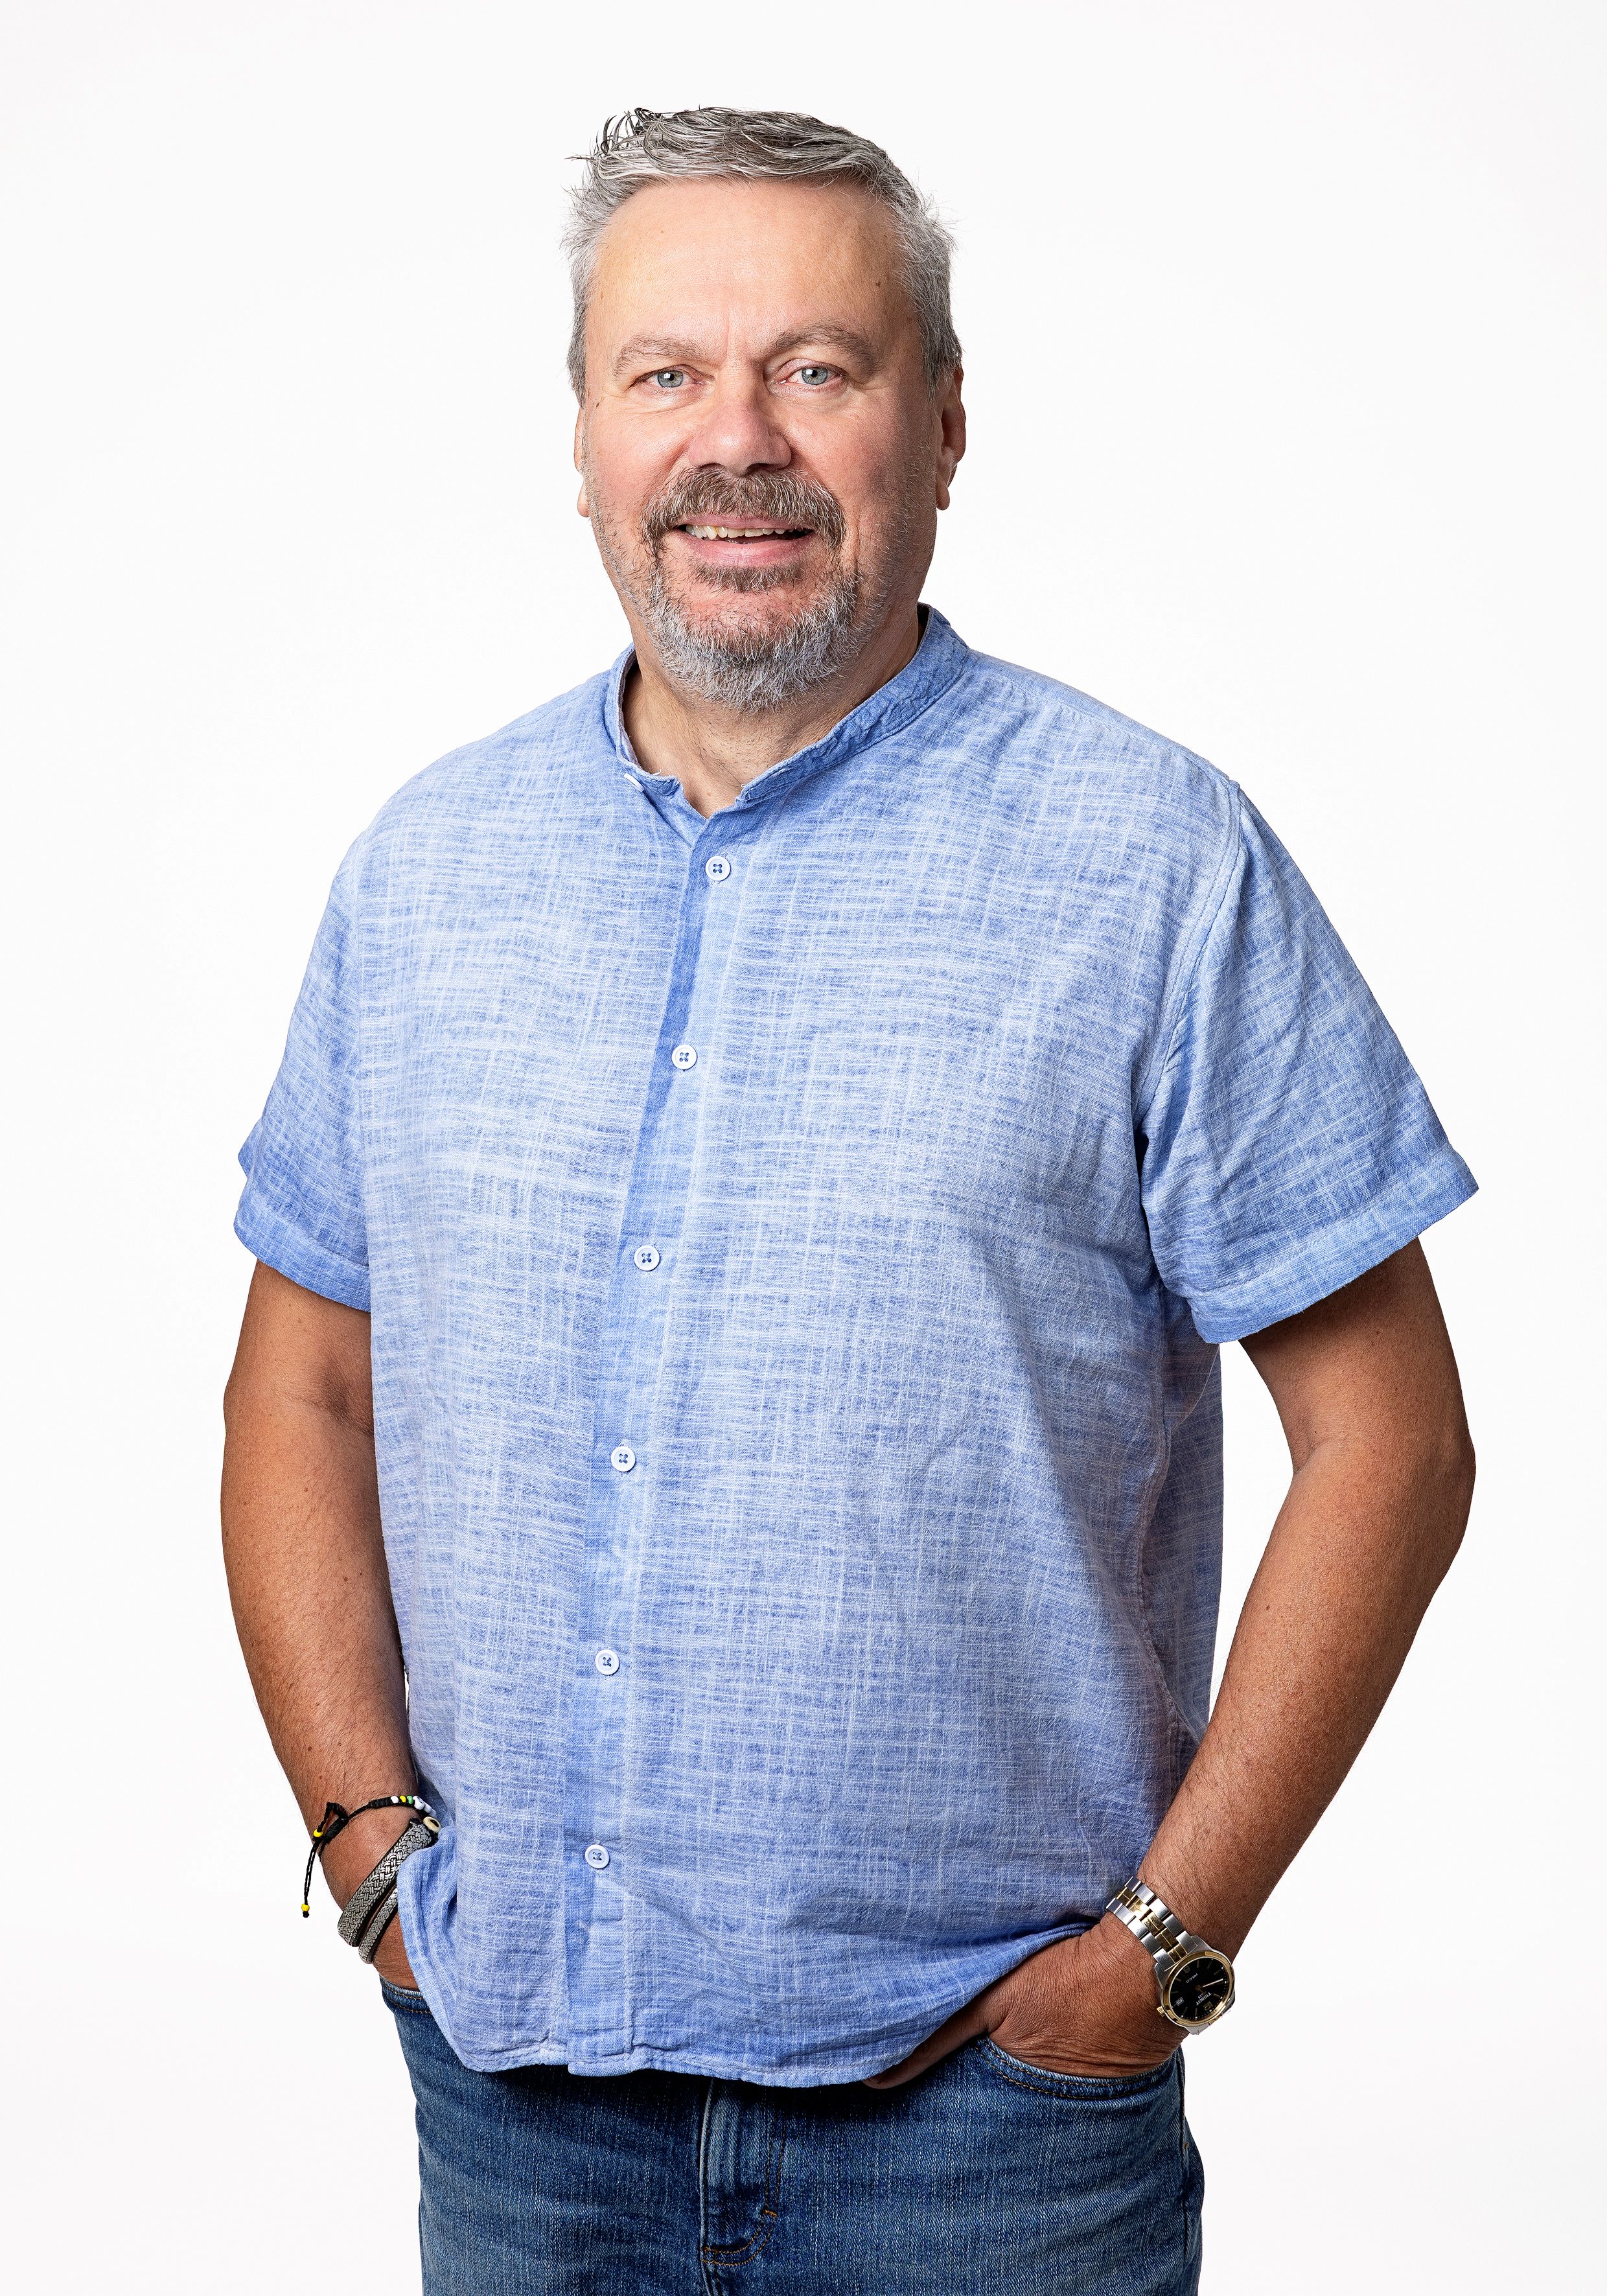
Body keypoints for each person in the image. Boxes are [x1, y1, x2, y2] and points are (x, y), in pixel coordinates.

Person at [222, 106, 1477, 2296]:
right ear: (586, 434)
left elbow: (1393, 1441)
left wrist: (1164, 1950)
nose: (739, 442)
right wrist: (366, 1855)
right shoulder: (424, 877)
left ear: (945, 422)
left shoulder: (1155, 866)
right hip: (520, 2112)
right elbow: (302, 1391)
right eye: (668, 374)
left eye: (818, 368)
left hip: (991, 2143)